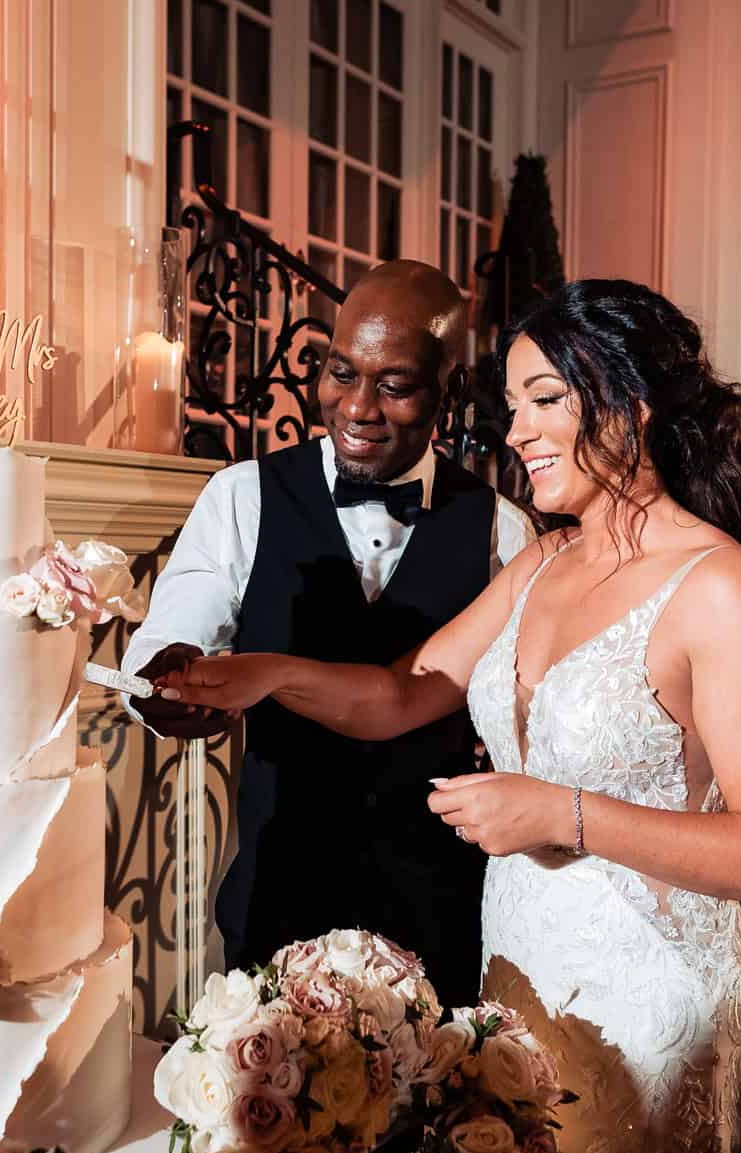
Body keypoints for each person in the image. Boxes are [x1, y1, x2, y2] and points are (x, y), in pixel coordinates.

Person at [155, 278, 741, 1153]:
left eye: (541, 401)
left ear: (628, 404)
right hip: (513, 985)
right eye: (510, 406)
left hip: (646, 1005)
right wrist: (267, 674)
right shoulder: (544, 564)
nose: (513, 434)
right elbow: (398, 696)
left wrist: (559, 813)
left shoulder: (722, 591)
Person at [122, 260, 533, 1006]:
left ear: (452, 393)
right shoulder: (242, 496)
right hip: (279, 894)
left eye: (396, 384)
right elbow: (168, 638)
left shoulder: (504, 530)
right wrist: (164, 681)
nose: (357, 406)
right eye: (341, 372)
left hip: (438, 909)